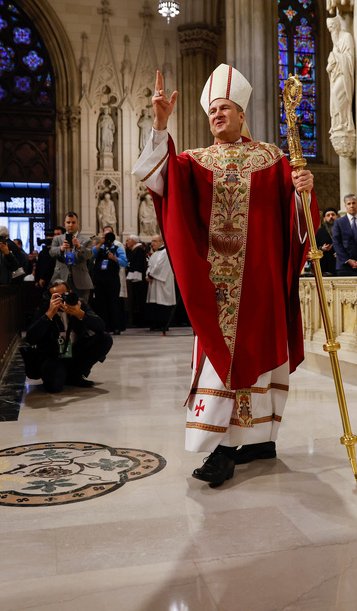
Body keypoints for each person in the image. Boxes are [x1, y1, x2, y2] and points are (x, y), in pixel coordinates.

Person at [132, 66, 317, 488]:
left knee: (259, 360)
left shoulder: (271, 158)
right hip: (218, 287)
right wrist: (160, 124)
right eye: (212, 109)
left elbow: (297, 218)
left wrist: (303, 189)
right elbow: (158, 181)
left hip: (261, 283)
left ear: (241, 114)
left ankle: (255, 440)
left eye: (225, 108)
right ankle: (223, 448)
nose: (217, 114)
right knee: (222, 361)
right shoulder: (195, 162)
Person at [25, 280, 112, 393]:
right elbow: (31, 338)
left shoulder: (78, 304)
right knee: (54, 387)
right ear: (50, 298)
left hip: (76, 351)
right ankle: (63, 374)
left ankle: (75, 374)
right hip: (53, 355)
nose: (62, 300)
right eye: (57, 297)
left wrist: (80, 314)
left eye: (64, 295)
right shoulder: (45, 308)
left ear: (70, 292)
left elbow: (101, 326)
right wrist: (49, 315)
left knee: (105, 339)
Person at [49, 212, 94, 301]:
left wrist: (79, 247)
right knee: (61, 309)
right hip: (61, 278)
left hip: (81, 280)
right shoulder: (57, 239)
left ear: (78, 223)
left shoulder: (86, 240)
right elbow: (51, 253)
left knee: (81, 309)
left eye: (73, 222)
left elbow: (89, 255)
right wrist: (61, 249)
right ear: (65, 224)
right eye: (68, 222)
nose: (71, 225)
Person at [92, 230, 128, 333]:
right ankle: (103, 326)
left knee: (114, 303)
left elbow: (124, 262)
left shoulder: (118, 249)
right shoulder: (100, 249)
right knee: (101, 304)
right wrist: (100, 243)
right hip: (100, 280)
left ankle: (115, 326)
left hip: (112, 280)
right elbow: (91, 255)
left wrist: (114, 258)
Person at [332, 194, 357, 276]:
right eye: (349, 204)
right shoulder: (339, 222)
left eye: (353, 203)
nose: (351, 206)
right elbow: (336, 243)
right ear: (345, 206)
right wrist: (348, 260)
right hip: (344, 266)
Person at [146, 234, 176, 333]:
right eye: (152, 241)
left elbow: (160, 266)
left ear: (161, 242)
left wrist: (151, 275)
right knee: (155, 303)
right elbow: (150, 266)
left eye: (154, 241)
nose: (152, 243)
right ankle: (155, 323)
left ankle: (164, 324)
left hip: (163, 282)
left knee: (163, 302)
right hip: (154, 282)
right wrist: (148, 274)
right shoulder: (154, 254)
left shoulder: (165, 252)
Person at [125, 234, 149, 325]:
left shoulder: (139, 250)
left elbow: (137, 265)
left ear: (134, 241)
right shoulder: (133, 250)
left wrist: (130, 275)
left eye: (128, 240)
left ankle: (141, 320)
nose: (126, 243)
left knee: (139, 299)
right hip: (135, 278)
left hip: (138, 278)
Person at [315, 209, 338, 276]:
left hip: (340, 263)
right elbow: (314, 247)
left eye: (333, 215)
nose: (331, 217)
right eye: (328, 215)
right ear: (324, 219)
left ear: (337, 217)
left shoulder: (342, 229)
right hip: (326, 264)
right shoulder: (319, 232)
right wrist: (322, 248)